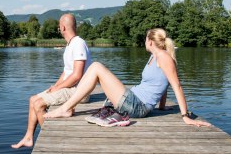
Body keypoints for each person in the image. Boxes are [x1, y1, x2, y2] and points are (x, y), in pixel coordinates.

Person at [44, 28, 211, 127]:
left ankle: (65, 108)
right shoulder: (154, 57)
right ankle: (68, 107)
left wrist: (185, 117)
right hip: (134, 99)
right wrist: (161, 106)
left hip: (138, 106)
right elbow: (163, 83)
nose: (144, 42)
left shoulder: (164, 57)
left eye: (145, 39)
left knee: (96, 67)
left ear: (150, 41)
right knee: (97, 70)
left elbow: (176, 85)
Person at [11, 13, 92, 148]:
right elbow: (67, 72)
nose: (59, 29)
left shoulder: (78, 43)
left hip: (79, 92)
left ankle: (50, 141)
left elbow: (77, 75)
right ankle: (28, 137)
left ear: (63, 27)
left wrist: (58, 89)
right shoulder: (70, 45)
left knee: (39, 105)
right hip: (71, 88)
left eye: (59, 27)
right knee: (33, 99)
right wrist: (55, 86)